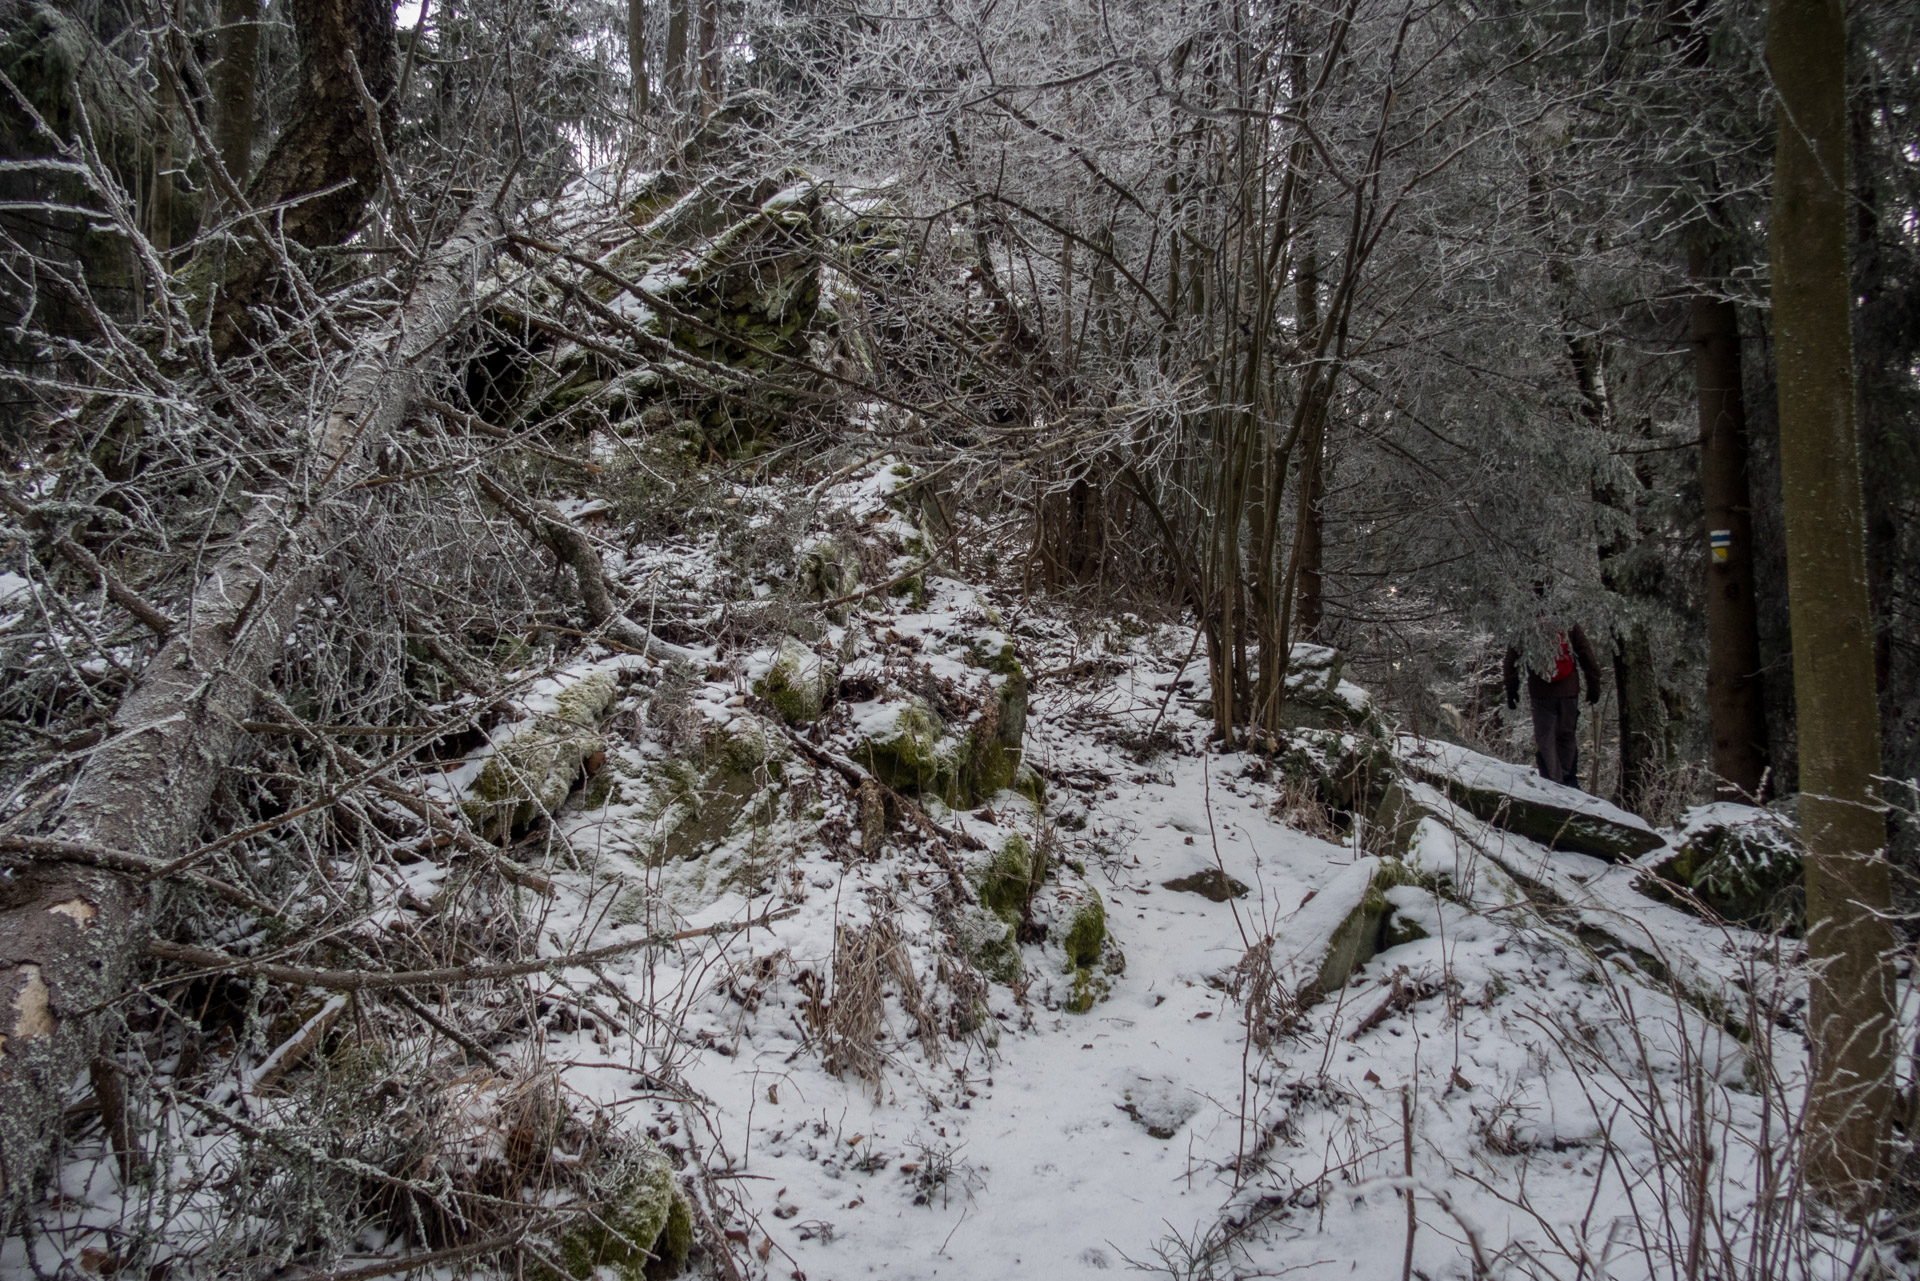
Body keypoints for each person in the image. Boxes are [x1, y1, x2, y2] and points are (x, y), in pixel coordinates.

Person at [1504, 610, 1603, 789]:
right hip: (1569, 691)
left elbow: (1512, 660)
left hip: (1541, 692)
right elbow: (1586, 654)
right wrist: (1593, 686)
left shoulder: (1527, 626)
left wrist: (1512, 690)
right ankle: (1569, 781)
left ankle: (1552, 782)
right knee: (1567, 736)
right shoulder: (1567, 623)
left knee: (1545, 738)